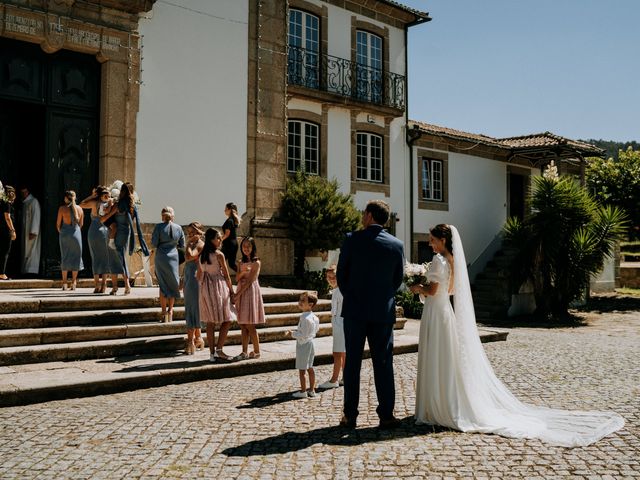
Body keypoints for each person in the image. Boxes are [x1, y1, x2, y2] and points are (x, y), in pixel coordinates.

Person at [409, 224, 625, 447]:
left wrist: (418, 288)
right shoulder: (453, 260)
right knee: (445, 356)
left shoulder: (438, 261)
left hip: (436, 312)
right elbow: (450, 290)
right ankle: (445, 401)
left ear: (443, 240)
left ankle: (436, 405)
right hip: (446, 312)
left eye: (432, 239)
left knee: (437, 353)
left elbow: (433, 291)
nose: (429, 243)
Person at [336, 200, 404, 429]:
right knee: (384, 363)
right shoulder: (397, 245)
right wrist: (382, 296)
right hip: (382, 312)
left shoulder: (352, 239)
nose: (362, 216)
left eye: (364, 213)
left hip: (355, 310)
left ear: (370, 216)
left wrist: (353, 295)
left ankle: (350, 415)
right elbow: (397, 279)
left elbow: (341, 275)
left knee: (352, 364)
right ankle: (386, 414)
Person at [103, 182, 149, 295]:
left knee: (115, 258)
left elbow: (107, 216)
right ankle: (123, 286)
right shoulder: (132, 206)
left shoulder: (119, 205)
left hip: (116, 233)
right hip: (126, 233)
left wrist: (102, 217)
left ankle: (118, 287)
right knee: (120, 257)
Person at [198, 228, 235, 362]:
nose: (220, 240)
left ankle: (212, 354)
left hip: (205, 287)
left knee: (210, 321)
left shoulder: (202, 254)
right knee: (227, 319)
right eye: (218, 238)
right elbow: (226, 275)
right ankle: (219, 350)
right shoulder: (219, 255)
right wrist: (231, 291)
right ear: (211, 240)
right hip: (218, 286)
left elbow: (199, 274)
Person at [233, 237, 265, 360]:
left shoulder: (256, 262)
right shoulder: (240, 262)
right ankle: (244, 351)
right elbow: (237, 278)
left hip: (250, 291)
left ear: (253, 247)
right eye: (244, 246)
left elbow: (251, 280)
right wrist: (242, 272)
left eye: (249, 246)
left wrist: (238, 294)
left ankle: (257, 351)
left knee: (250, 324)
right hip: (241, 288)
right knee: (242, 324)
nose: (246, 248)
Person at [151, 206, 185, 323]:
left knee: (163, 284)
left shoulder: (158, 227)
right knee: (172, 284)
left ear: (162, 215)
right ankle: (171, 310)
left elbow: (154, 243)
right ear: (173, 216)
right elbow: (182, 244)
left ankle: (163, 312)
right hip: (173, 257)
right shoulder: (179, 228)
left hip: (161, 256)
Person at [79, 186, 113, 293]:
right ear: (102, 195)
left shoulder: (94, 203)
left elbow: (81, 204)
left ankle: (97, 285)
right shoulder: (110, 205)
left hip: (94, 231)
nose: (107, 196)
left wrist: (91, 196)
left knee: (95, 257)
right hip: (105, 230)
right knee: (105, 257)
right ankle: (103, 284)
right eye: (105, 195)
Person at [287, 292, 320, 398]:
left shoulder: (305, 318)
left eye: (303, 301)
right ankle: (311, 390)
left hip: (303, 344)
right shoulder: (315, 317)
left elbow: (303, 334)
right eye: (300, 300)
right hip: (311, 343)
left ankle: (303, 391)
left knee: (302, 370)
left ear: (310, 304)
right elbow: (315, 330)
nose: (300, 302)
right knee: (310, 367)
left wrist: (292, 333)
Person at [318, 265, 345, 389]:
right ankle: (345, 377)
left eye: (334, 277)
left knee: (338, 352)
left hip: (341, 323)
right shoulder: (337, 290)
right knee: (343, 352)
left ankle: (334, 379)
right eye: (329, 277)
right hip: (338, 323)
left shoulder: (341, 291)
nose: (332, 279)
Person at [183, 222, 205, 354]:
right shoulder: (192, 244)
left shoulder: (200, 245)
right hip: (189, 277)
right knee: (191, 307)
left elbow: (189, 256)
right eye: (189, 232)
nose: (190, 235)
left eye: (192, 232)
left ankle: (191, 341)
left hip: (195, 279)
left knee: (192, 308)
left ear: (198, 232)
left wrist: (187, 245)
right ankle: (198, 338)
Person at [56, 190, 84, 290]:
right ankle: (74, 282)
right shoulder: (80, 209)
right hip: (76, 234)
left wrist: (63, 232)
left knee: (65, 256)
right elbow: (81, 225)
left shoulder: (62, 209)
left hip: (64, 234)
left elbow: (58, 225)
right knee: (76, 257)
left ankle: (64, 283)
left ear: (66, 198)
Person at [19, 186, 41, 276]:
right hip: (25, 231)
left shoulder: (34, 202)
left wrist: (34, 231)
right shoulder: (25, 203)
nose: (23, 194)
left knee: (31, 251)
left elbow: (36, 216)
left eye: (24, 192)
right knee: (25, 251)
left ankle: (31, 271)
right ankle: (25, 270)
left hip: (31, 232)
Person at [0, 186, 17, 280]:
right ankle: (2, 273)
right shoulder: (6, 203)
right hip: (5, 230)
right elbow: (7, 217)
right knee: (5, 251)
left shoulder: (1, 202)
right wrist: (12, 230)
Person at [221, 202, 240, 272]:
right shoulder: (233, 220)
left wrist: (220, 239)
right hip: (234, 244)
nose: (224, 211)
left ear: (230, 210)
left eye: (226, 209)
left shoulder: (229, 221)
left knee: (219, 262)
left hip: (228, 245)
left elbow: (227, 234)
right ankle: (244, 275)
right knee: (231, 264)